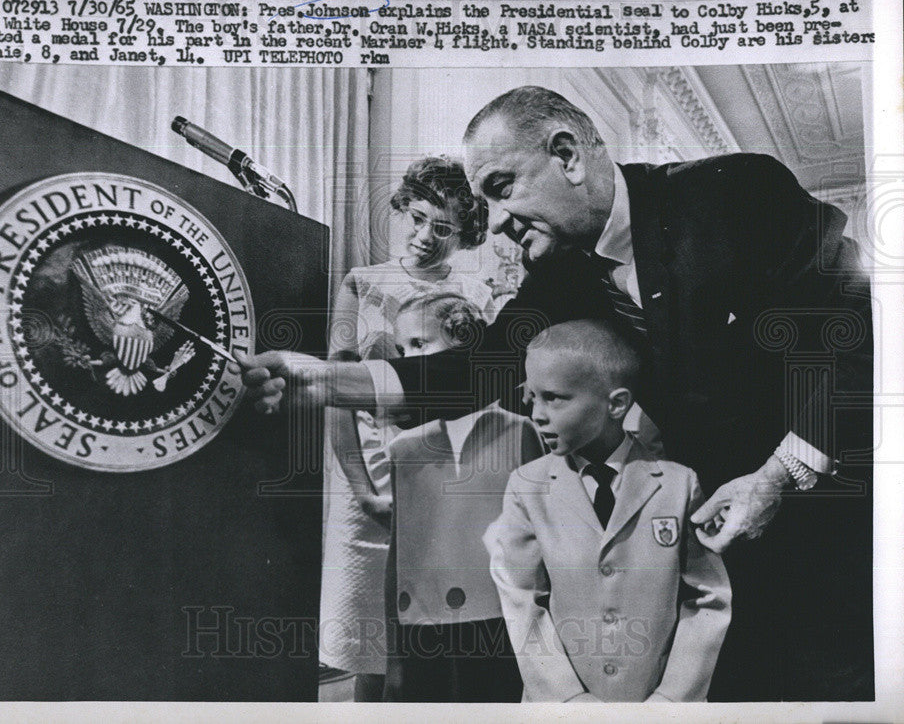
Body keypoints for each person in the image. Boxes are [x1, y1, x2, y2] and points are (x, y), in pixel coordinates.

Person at [245, 86, 873, 701]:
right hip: (713, 537)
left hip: (826, 521)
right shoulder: (564, 271)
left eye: (500, 188)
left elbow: (860, 329)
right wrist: (322, 379)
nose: (491, 225)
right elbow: (480, 368)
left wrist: (781, 474)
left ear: (568, 155)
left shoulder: (732, 193)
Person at [318, 155, 493, 700]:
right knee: (368, 635)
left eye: (442, 228)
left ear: (465, 234)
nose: (424, 236)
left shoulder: (480, 297)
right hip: (366, 476)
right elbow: (336, 394)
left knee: (433, 630)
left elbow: (479, 400)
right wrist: (362, 489)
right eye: (416, 218)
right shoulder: (361, 284)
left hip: (442, 478)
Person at [484, 320, 730, 702]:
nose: (536, 413)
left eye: (554, 398)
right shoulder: (526, 486)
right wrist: (568, 699)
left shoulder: (679, 485)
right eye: (531, 396)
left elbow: (709, 599)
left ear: (616, 403)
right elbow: (521, 602)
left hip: (654, 703)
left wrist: (671, 700)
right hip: (561, 706)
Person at [381, 292, 541, 702]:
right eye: (401, 350)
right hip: (422, 623)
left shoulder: (522, 431)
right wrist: (394, 651)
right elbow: (398, 551)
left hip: (500, 619)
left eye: (419, 345)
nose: (408, 359)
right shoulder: (404, 445)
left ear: (464, 342)